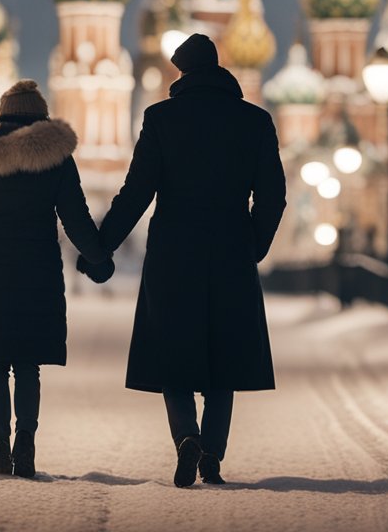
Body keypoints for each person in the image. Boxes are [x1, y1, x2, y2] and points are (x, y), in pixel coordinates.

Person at [99, 34, 287, 488]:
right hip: (230, 251)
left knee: (174, 351)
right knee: (225, 356)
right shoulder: (255, 121)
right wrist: (254, 244)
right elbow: (273, 196)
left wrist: (100, 244)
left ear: (182, 72)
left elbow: (136, 193)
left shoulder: (161, 118)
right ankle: (213, 453)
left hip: (173, 253)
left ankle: (186, 435)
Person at [0, 80, 112, 479]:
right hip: (38, 272)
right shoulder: (56, 159)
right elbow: (76, 219)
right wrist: (99, 259)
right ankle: (27, 443)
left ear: (3, 116)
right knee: (28, 365)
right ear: (41, 117)